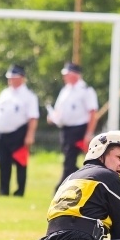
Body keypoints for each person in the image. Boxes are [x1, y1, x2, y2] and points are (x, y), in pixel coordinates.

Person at [0, 64, 39, 197]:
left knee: (21, 163)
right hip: (2, 134)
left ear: (21, 78)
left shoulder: (28, 96)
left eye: (13, 78)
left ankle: (19, 191)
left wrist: (30, 135)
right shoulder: (4, 93)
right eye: (9, 78)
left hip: (19, 133)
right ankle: (3, 191)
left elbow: (33, 117)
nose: (10, 80)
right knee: (3, 164)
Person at [47, 62, 99, 192]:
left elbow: (93, 113)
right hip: (65, 130)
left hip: (79, 129)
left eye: (67, 74)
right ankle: (82, 181)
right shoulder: (66, 90)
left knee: (69, 161)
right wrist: (53, 117)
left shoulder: (86, 90)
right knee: (68, 159)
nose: (64, 77)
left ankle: (60, 188)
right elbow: (59, 110)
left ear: (75, 75)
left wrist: (89, 133)